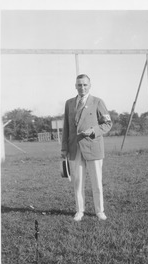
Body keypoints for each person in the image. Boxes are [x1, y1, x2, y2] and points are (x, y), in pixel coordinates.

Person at [61, 74, 112, 221]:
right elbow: (66, 127)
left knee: (96, 182)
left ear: (90, 85)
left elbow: (107, 124)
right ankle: (79, 211)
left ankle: (99, 211)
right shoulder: (69, 103)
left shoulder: (98, 102)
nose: (82, 87)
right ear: (75, 86)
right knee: (78, 182)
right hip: (74, 148)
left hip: (93, 147)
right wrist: (64, 148)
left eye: (85, 85)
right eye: (79, 85)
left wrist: (94, 131)